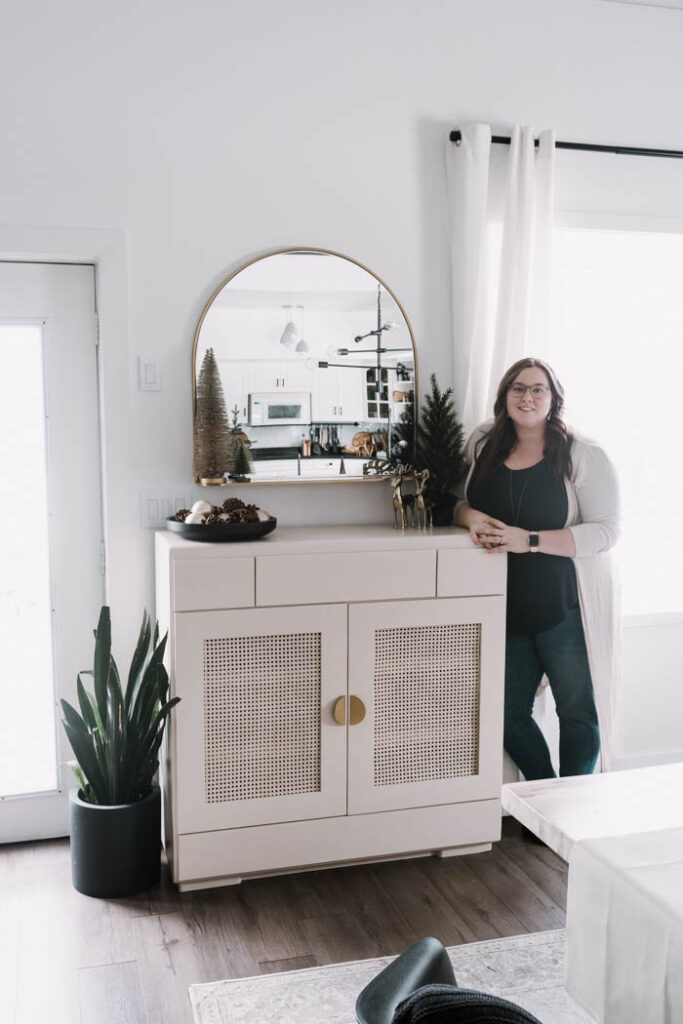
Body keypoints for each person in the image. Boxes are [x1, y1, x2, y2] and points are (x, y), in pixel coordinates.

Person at [455, 357, 620, 780]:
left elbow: (605, 532)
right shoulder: (482, 443)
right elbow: (453, 501)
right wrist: (470, 517)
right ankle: (545, 796)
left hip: (563, 606)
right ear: (504, 396)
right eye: (518, 388)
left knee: (578, 712)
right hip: (502, 605)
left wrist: (527, 541)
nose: (527, 397)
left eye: (537, 389)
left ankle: (574, 802)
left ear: (553, 398)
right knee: (506, 716)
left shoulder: (583, 453)